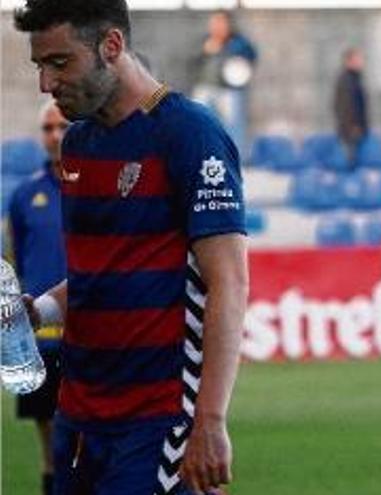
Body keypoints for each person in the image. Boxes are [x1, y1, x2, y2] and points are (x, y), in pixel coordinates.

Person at [13, 1, 249, 494]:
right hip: (79, 417)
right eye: (39, 66)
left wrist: (209, 419)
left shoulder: (189, 134)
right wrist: (41, 309)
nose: (47, 84)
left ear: (112, 46)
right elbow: (98, 277)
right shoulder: (77, 145)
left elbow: (229, 280)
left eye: (60, 63)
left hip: (157, 420)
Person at [5, 100, 69, 495]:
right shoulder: (25, 195)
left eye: (62, 126)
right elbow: (15, 259)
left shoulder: (96, 189)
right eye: (48, 128)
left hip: (89, 335)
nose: (55, 135)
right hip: (41, 338)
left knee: (85, 439)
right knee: (50, 442)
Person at [192, 9, 258, 154]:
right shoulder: (204, 41)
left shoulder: (238, 41)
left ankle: (234, 159)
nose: (217, 26)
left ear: (229, 24)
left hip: (229, 91)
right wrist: (205, 50)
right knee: (200, 123)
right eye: (214, 22)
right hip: (205, 88)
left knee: (233, 126)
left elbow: (251, 55)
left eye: (221, 22)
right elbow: (191, 61)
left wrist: (225, 48)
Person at [333, 47, 370, 164]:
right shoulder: (346, 81)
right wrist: (352, 127)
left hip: (356, 130)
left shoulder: (355, 79)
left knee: (357, 162)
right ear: (349, 61)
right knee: (350, 163)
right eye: (357, 59)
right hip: (350, 131)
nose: (361, 62)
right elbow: (344, 107)